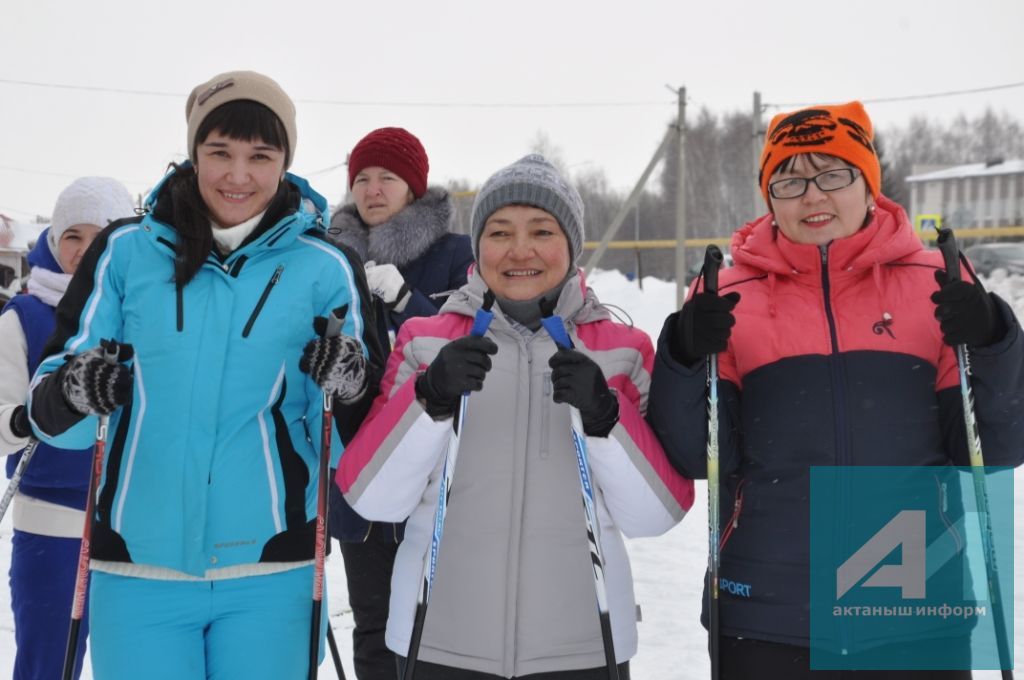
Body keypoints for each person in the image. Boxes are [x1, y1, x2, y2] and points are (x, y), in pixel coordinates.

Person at [647, 101, 1024, 679]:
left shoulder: (939, 284)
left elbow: (996, 446)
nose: (812, 196)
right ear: (768, 196)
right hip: (769, 615)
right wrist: (682, 351)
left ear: (869, 184)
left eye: (832, 174)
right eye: (789, 181)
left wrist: (995, 339)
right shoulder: (726, 294)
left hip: (916, 608)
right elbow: (695, 455)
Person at [26, 71, 383, 680]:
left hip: (273, 572)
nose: (237, 175)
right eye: (219, 152)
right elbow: (50, 411)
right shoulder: (125, 253)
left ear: (284, 161)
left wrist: (351, 382)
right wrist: (76, 390)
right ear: (194, 154)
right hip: (138, 568)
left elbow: (361, 429)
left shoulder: (325, 266)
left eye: (259, 156)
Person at [337, 154, 694, 679]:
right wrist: (428, 399)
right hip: (437, 644)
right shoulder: (425, 342)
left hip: (584, 648)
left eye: (541, 231)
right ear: (477, 246)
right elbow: (372, 498)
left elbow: (655, 517)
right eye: (500, 232)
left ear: (571, 245)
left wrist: (604, 419)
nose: (519, 250)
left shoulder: (621, 350)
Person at [326, 126, 473, 680]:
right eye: (361, 177)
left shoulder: (455, 254)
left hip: (437, 473)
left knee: (437, 625)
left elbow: (470, 346)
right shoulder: (331, 257)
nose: (372, 188)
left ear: (414, 186)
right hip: (358, 466)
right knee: (373, 624)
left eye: (387, 176)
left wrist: (407, 302)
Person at [0, 177, 134, 680]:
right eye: (71, 236)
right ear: (54, 242)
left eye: (98, 236)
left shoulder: (139, 313)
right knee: (48, 666)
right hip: (52, 524)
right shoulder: (26, 316)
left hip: (133, 522)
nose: (83, 250)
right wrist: (39, 415)